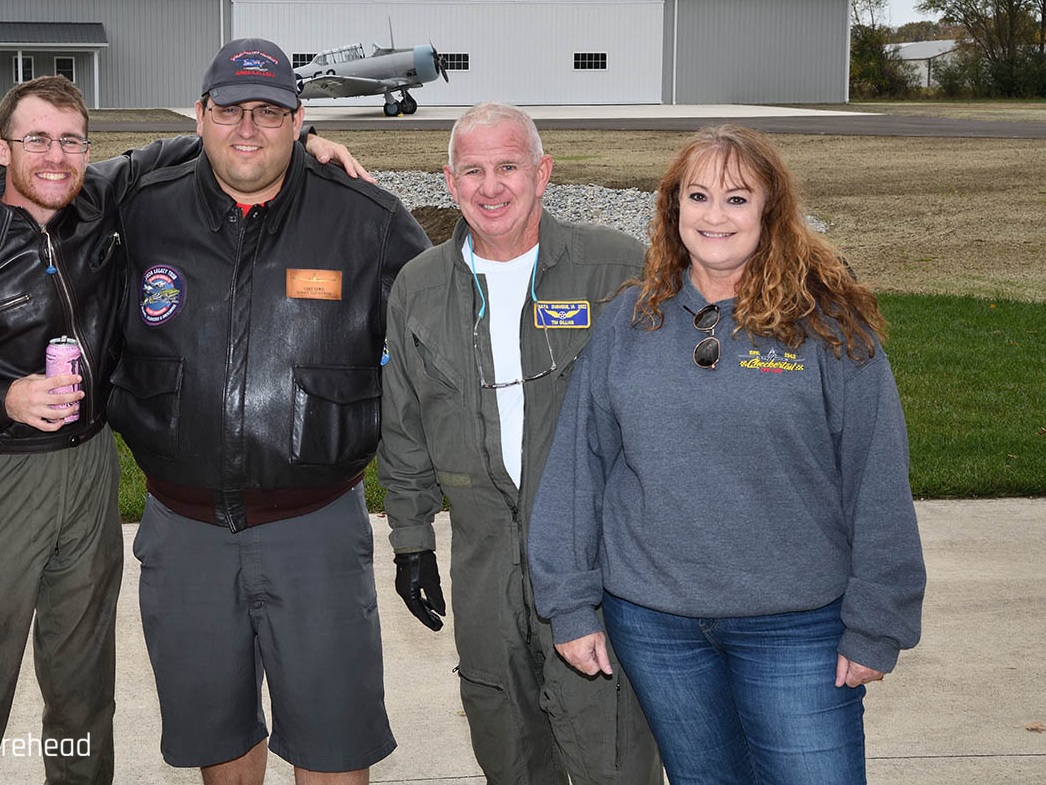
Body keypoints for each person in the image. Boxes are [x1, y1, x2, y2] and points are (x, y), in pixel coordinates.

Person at [0, 74, 362, 785]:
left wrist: (306, 140)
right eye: (36, 139)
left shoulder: (96, 200)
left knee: (82, 684)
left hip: (91, 465)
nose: (55, 157)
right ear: (1, 148)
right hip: (2, 472)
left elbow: (201, 142)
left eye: (71, 140)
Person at [529, 125, 926, 785]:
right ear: (672, 208)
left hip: (797, 627)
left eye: (738, 199)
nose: (715, 216)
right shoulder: (629, 322)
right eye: (699, 196)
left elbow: (877, 475)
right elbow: (579, 467)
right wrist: (569, 604)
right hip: (657, 628)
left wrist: (877, 621)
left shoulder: (830, 327)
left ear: (770, 213)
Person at [103, 38, 429, 785]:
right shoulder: (140, 212)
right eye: (229, 111)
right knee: (217, 745)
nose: (247, 129)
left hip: (313, 528)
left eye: (270, 113)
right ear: (200, 115)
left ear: (297, 120)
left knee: (333, 747)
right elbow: (38, 223)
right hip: (182, 531)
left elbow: (438, 354)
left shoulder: (368, 220)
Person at [377, 102, 662, 784]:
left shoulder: (615, 269)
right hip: (483, 564)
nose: (490, 186)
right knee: (506, 747)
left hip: (598, 565)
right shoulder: (419, 289)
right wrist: (413, 543)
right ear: (449, 183)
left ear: (543, 173)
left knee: (611, 751)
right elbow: (405, 428)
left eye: (508, 166)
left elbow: (669, 418)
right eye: (472, 170)